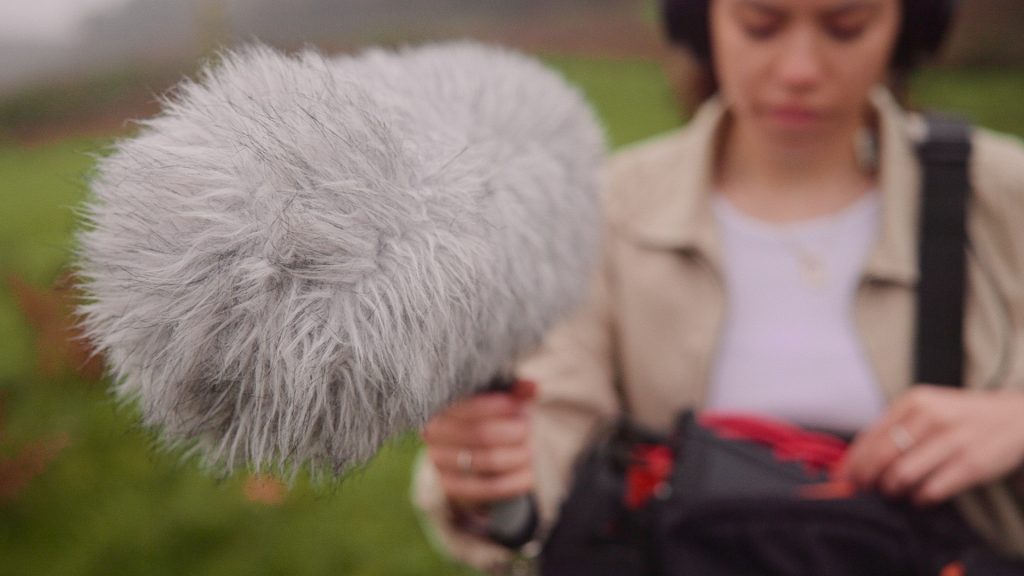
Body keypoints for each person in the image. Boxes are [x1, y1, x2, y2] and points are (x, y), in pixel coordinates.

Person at [413, 0, 1024, 572]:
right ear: (701, 20)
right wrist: (493, 471)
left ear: (911, 24)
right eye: (760, 25)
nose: (800, 70)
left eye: (846, 26)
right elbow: (553, 424)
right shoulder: (609, 210)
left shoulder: (1003, 199)